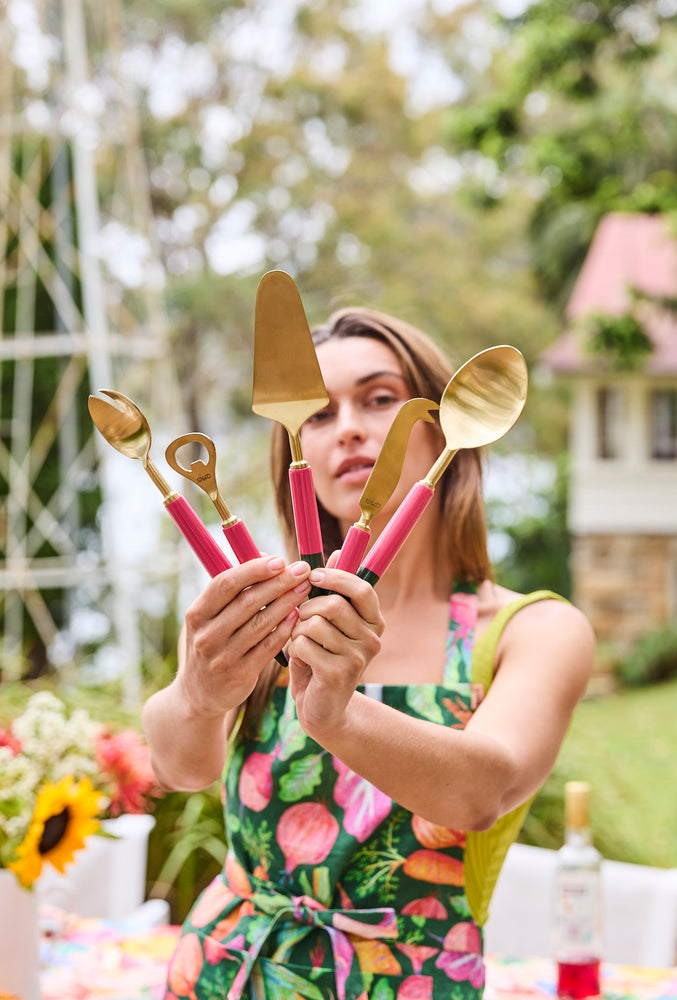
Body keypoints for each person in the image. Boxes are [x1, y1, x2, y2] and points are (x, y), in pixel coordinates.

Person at [143, 306, 595, 1000]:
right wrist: (198, 694)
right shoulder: (258, 608)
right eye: (318, 415)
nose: (348, 425)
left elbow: (482, 792)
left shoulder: (532, 631)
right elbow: (181, 767)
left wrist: (339, 716)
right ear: (296, 455)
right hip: (226, 972)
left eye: (380, 399)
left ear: (447, 432)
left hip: (410, 984)